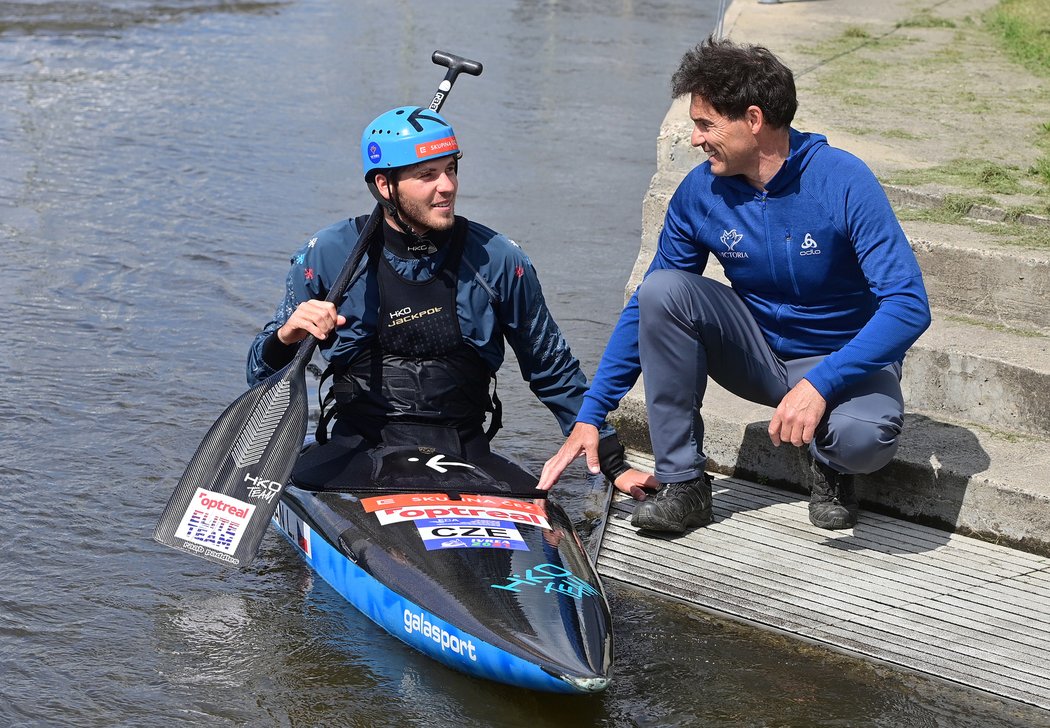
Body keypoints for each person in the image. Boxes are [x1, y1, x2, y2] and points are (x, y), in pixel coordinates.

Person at [538, 37, 931, 531]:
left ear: (753, 119)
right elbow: (647, 307)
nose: (696, 140)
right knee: (664, 291)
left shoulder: (843, 180)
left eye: (706, 125)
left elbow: (909, 305)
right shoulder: (700, 191)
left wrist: (821, 384)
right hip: (759, 355)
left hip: (841, 360)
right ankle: (684, 484)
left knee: (862, 440)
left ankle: (830, 465)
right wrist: (592, 413)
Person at [247, 105, 652, 494]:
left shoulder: (497, 259)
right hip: (355, 453)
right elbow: (259, 378)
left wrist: (614, 464)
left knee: (539, 498)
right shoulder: (327, 255)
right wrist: (284, 337)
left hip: (463, 455)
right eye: (428, 175)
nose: (448, 187)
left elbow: (553, 371)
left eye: (451, 169)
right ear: (384, 185)